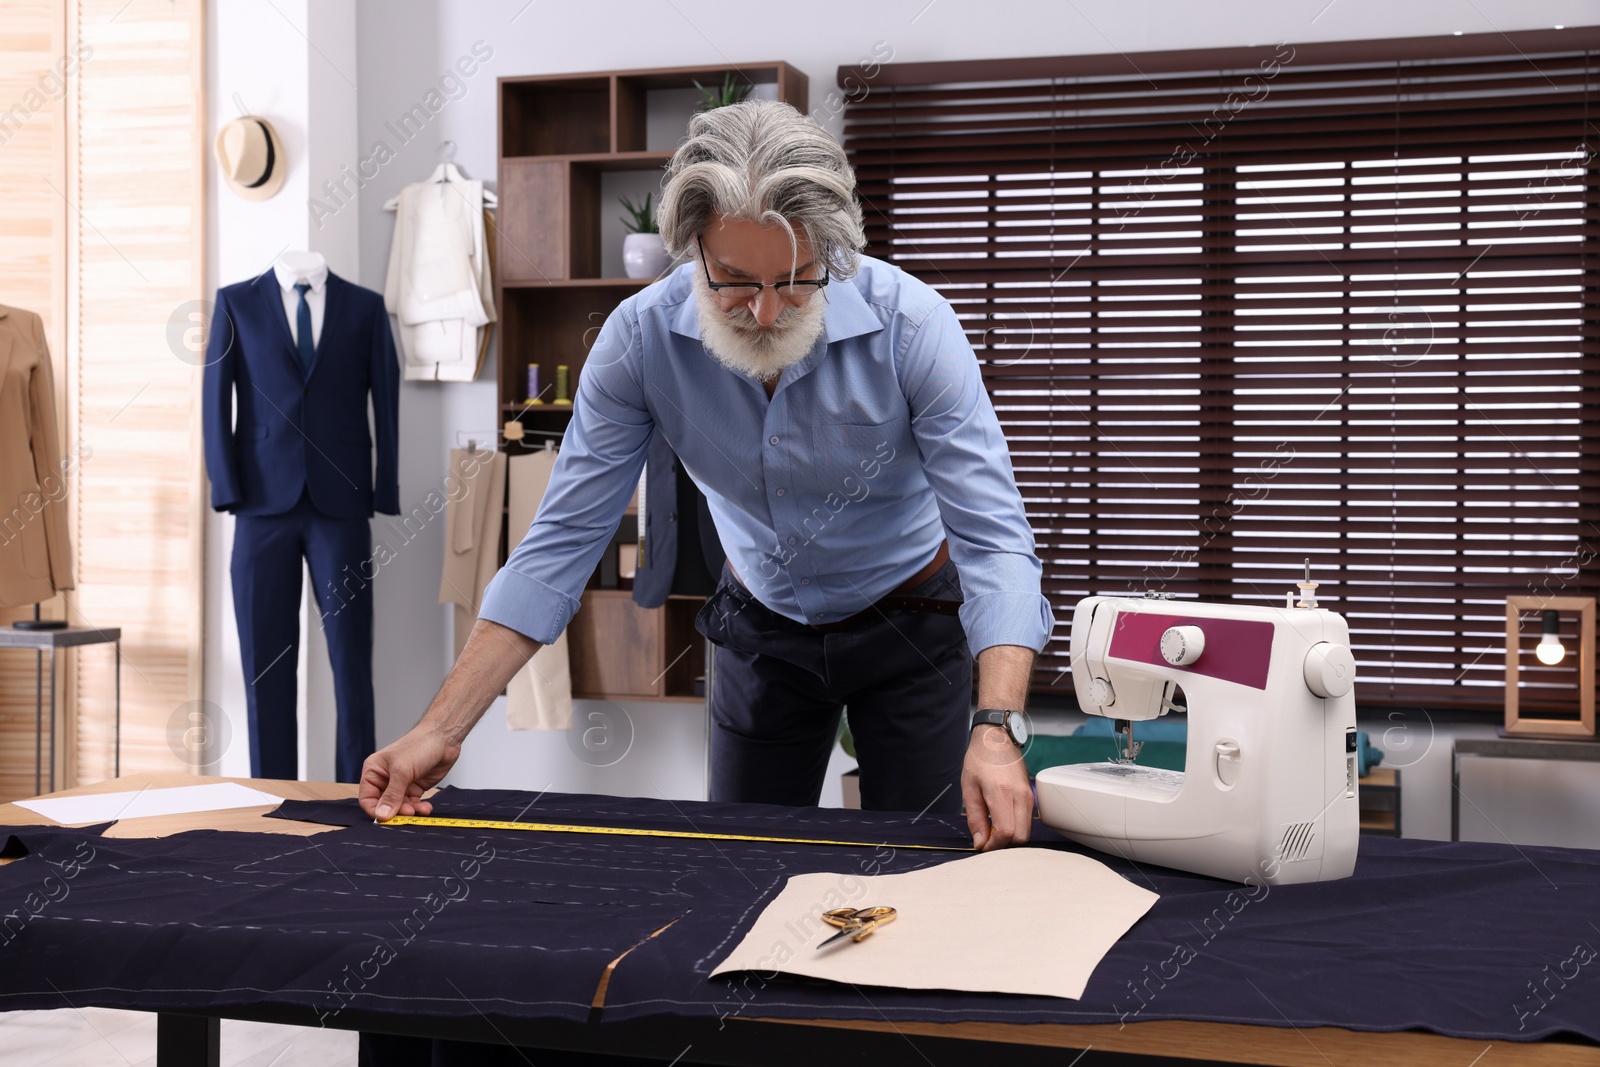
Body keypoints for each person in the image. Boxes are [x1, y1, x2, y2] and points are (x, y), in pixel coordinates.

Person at [359, 100, 1053, 850]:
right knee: (741, 868)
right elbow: (557, 546)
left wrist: (998, 725)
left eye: (794, 280)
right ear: (692, 249)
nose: (762, 312)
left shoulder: (914, 326)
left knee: (931, 865)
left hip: (911, 620)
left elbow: (995, 541)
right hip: (762, 626)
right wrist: (441, 727)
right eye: (732, 280)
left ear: (833, 249)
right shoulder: (640, 340)